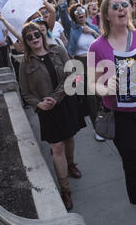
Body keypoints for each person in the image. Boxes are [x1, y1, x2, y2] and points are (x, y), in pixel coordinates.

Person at [88, 0, 136, 225]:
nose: (121, 8)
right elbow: (91, 84)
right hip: (121, 117)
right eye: (115, 6)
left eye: (125, 5)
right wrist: (104, 87)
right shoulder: (96, 46)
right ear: (107, 15)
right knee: (133, 163)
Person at [19, 22, 86, 210]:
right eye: (29, 37)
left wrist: (55, 98)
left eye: (36, 34)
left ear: (42, 34)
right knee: (57, 146)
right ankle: (65, 190)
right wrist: (38, 104)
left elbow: (71, 75)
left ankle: (71, 164)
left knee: (69, 137)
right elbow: (25, 92)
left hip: (65, 103)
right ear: (26, 41)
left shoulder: (58, 50)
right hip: (46, 110)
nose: (34, 39)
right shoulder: (25, 63)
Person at [65, 3, 104, 142]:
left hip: (97, 63)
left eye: (82, 10)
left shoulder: (93, 27)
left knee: (102, 95)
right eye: (77, 12)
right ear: (74, 17)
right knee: (90, 98)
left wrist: (93, 32)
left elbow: (103, 41)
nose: (80, 13)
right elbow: (71, 50)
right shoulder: (73, 30)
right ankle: (97, 129)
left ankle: (107, 123)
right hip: (81, 64)